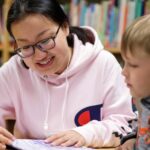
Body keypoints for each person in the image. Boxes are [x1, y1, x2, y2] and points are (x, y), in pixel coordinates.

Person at [0, 0, 136, 149]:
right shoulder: (14, 71)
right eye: (25, 47)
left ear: (65, 27)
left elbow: (124, 124)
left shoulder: (103, 64)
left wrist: (85, 134)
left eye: (45, 41)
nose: (39, 55)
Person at [116, 15, 150, 150]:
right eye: (124, 63)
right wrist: (132, 140)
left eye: (133, 65)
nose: (123, 72)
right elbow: (141, 129)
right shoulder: (141, 100)